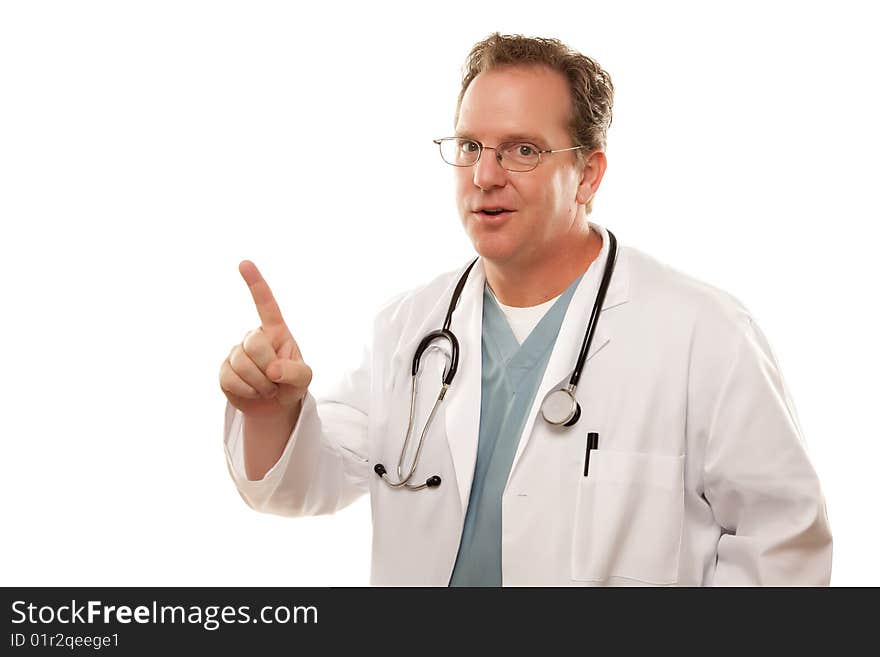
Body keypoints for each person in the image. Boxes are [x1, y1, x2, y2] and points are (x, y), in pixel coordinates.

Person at [219, 33, 832, 586]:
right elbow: (309, 483)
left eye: (523, 151)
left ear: (587, 175)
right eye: (469, 146)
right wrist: (274, 412)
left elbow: (784, 549)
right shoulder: (407, 330)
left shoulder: (705, 334)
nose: (485, 174)